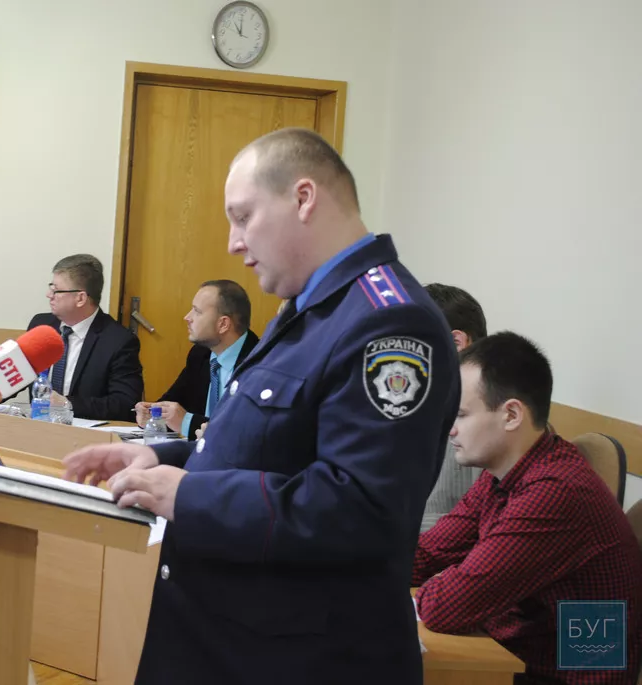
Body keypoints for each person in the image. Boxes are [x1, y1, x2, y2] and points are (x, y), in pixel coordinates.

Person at [63, 127, 460, 684]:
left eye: (243, 217)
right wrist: (163, 458)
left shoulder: (389, 322)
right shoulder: (310, 308)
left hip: (301, 659)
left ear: (304, 198)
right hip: (232, 639)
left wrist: (191, 495)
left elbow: (360, 509)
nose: (233, 242)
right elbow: (268, 445)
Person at [413, 331, 642, 684]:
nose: (451, 430)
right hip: (521, 651)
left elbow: (447, 607)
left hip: (565, 675)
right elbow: (425, 556)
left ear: (511, 415)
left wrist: (448, 580)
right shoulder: (503, 473)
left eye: (460, 414)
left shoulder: (557, 492)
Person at [134, 280, 259, 440]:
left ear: (223, 324)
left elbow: (243, 431)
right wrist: (151, 414)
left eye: (197, 312)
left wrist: (187, 423)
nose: (187, 317)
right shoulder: (201, 353)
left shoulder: (259, 363)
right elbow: (174, 402)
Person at [25, 254, 143, 421]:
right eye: (50, 287)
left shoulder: (118, 341)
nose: (48, 295)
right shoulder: (41, 325)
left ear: (80, 298)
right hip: (38, 426)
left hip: (85, 431)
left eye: (56, 290)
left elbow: (124, 403)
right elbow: (20, 372)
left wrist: (67, 403)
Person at [421, 283, 488, 532]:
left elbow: (471, 526)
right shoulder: (430, 402)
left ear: (456, 342)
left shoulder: (485, 417)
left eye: (410, 342)